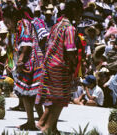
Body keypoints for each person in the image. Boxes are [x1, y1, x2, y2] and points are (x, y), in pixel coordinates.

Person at [35, 0, 83, 134]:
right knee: (60, 99)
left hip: (49, 63)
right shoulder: (70, 28)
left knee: (52, 97)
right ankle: (48, 128)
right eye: (80, 12)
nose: (81, 15)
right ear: (74, 10)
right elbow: (70, 50)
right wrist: (74, 67)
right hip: (60, 66)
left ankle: (48, 125)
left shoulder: (57, 25)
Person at [2, 5, 44, 130]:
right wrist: (9, 63)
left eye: (7, 20)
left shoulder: (24, 24)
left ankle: (41, 121)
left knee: (31, 93)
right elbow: (12, 48)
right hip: (25, 62)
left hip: (31, 61)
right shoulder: (14, 28)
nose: (6, 23)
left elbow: (27, 44)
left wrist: (20, 60)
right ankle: (33, 121)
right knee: (28, 94)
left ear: (14, 17)